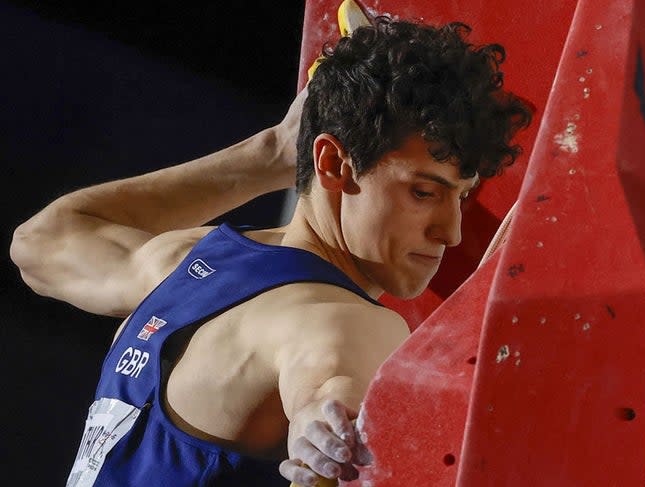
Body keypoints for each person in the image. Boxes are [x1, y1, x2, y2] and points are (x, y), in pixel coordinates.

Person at [10, 14, 532, 487]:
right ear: (331, 164)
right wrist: (323, 427)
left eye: (461, 196)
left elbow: (42, 242)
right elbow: (331, 383)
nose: (452, 232)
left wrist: (275, 153)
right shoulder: (344, 322)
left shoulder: (186, 262)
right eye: (424, 191)